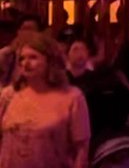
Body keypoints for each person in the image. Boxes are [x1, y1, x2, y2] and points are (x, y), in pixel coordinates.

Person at [0, 30, 90, 168]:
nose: (26, 63)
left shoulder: (72, 97)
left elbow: (81, 149)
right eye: (22, 59)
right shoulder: (9, 96)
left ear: (50, 61)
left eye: (33, 57)